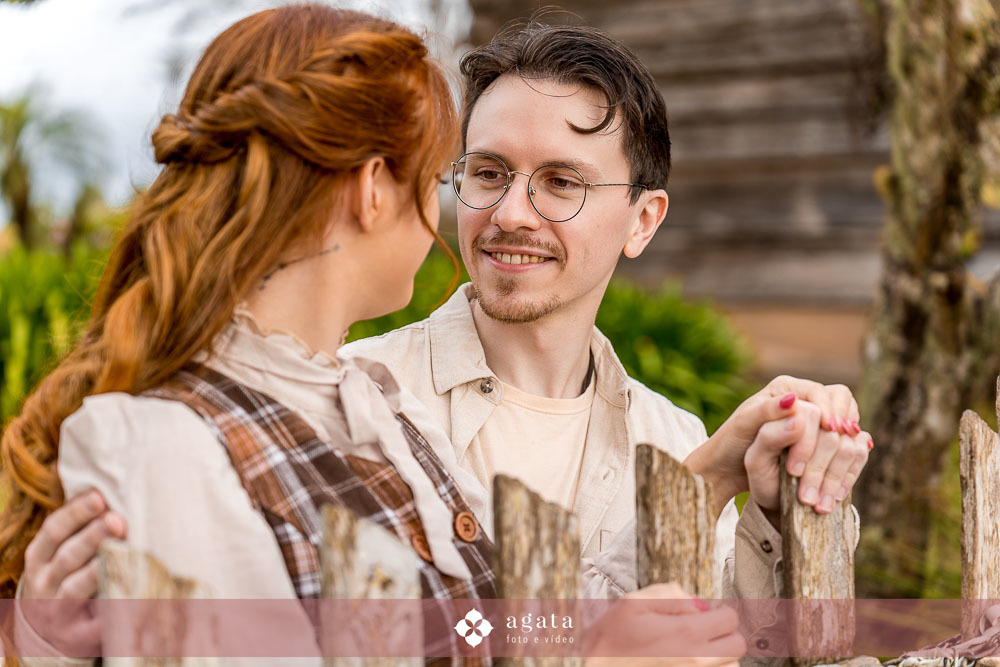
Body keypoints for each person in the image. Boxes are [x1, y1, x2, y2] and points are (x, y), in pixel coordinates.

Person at [13, 14, 869, 663]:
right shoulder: (309, 409)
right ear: (372, 188)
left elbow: (495, 626)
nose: (503, 213)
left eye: (561, 182)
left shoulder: (378, 412)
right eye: (475, 173)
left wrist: (716, 477)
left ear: (643, 219)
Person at [1, 4, 507, 662]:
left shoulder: (379, 404)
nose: (439, 213)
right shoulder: (168, 451)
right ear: (372, 187)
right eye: (437, 179)